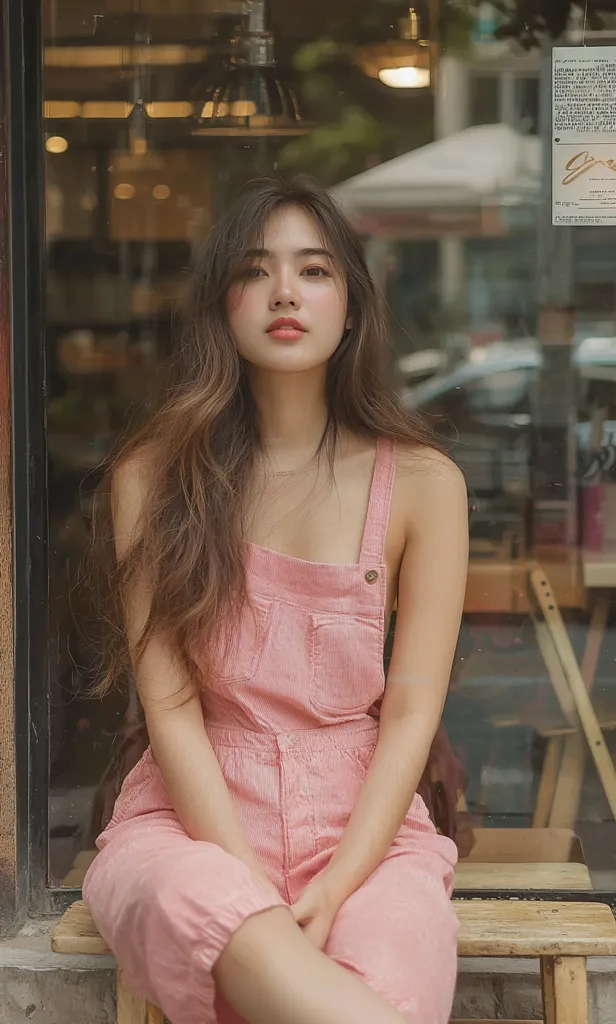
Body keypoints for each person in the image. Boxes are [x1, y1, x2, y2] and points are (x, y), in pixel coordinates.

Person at [82, 175, 469, 1024]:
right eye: (256, 270)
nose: (285, 293)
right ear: (221, 303)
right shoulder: (153, 475)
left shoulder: (424, 484)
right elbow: (171, 707)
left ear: (353, 306)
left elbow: (409, 714)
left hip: (364, 827)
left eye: (315, 271)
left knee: (396, 960)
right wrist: (248, 881)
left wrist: (337, 883)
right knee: (205, 898)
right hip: (190, 820)